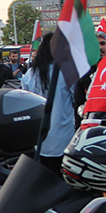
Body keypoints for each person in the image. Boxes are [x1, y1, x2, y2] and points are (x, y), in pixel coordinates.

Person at [20, 32, 75, 173]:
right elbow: (78, 101)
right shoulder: (67, 71)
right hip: (64, 138)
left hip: (39, 140)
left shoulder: (30, 74)